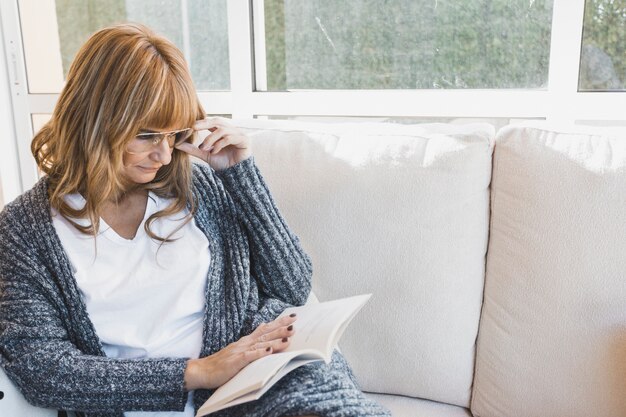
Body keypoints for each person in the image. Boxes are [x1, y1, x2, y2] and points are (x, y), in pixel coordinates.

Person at [0, 23, 390, 417]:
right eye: (148, 135)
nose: (165, 155)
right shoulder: (25, 231)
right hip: (140, 403)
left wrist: (239, 174)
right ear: (94, 119)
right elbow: (42, 369)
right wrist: (199, 372)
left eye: (173, 135)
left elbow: (292, 286)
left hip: (255, 389)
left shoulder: (197, 184)